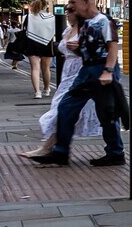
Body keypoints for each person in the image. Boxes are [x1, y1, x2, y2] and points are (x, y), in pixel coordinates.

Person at [28, 0, 124, 167]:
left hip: (101, 69)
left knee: (107, 114)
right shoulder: (85, 23)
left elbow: (113, 48)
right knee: (66, 107)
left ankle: (116, 153)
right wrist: (78, 50)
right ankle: (60, 152)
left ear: (87, 3)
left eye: (73, 2)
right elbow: (88, 49)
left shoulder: (104, 21)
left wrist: (108, 71)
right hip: (86, 71)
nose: (70, 5)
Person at [30, 17, 103, 157]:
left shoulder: (88, 29)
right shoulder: (68, 30)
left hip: (81, 72)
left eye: (70, 10)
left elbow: (99, 51)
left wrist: (79, 49)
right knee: (95, 111)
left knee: (63, 108)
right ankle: (114, 148)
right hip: (67, 73)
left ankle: (49, 148)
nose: (67, 14)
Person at [22, 0, 58, 95]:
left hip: (32, 43)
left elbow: (23, 30)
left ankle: (37, 92)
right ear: (45, 6)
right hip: (47, 43)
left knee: (34, 68)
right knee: (46, 68)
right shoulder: (52, 17)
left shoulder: (28, 17)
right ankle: (46, 89)